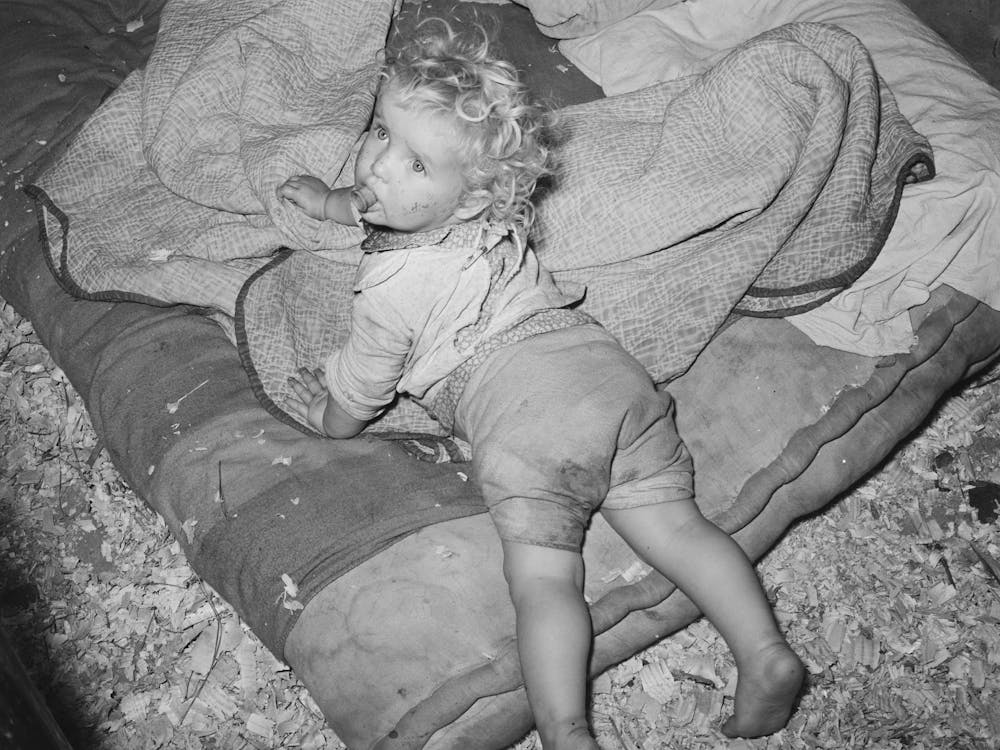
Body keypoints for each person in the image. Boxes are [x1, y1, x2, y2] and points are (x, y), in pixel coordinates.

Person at [278, 19, 805, 750]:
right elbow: (381, 203)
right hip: (608, 381)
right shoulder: (483, 209)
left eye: (415, 163)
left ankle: (566, 731)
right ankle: (764, 651)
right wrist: (328, 200)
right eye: (379, 132)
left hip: (529, 423)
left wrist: (331, 417)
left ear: (463, 198)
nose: (379, 166)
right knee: (682, 531)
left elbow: (367, 380)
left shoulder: (392, 285)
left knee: (545, 585)